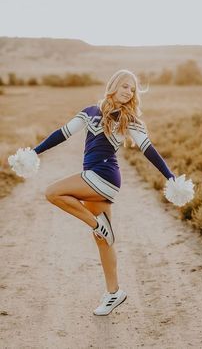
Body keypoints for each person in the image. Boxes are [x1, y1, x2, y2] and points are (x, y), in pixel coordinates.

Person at [32, 69, 176, 316]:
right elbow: (62, 134)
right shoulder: (91, 112)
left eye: (132, 89)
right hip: (98, 179)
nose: (129, 91)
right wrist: (34, 151)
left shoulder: (129, 119)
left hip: (104, 176)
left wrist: (171, 178)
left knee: (52, 192)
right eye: (125, 86)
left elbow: (148, 150)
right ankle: (114, 293)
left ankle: (96, 224)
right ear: (113, 86)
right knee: (103, 240)